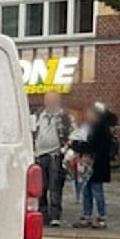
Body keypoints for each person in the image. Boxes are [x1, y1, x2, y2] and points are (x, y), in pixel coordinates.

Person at [70, 103, 116, 229]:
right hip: (88, 164)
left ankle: (101, 216)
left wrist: (77, 146)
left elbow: (95, 146)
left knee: (97, 191)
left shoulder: (101, 129)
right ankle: (87, 215)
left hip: (97, 164)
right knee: (86, 190)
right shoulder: (88, 127)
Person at [32, 91, 72, 227]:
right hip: (39, 155)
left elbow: (72, 133)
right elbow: (32, 131)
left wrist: (65, 150)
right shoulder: (38, 115)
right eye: (48, 100)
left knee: (55, 186)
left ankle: (55, 215)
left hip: (55, 155)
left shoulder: (64, 116)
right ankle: (43, 214)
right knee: (40, 187)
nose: (50, 102)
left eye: (53, 100)